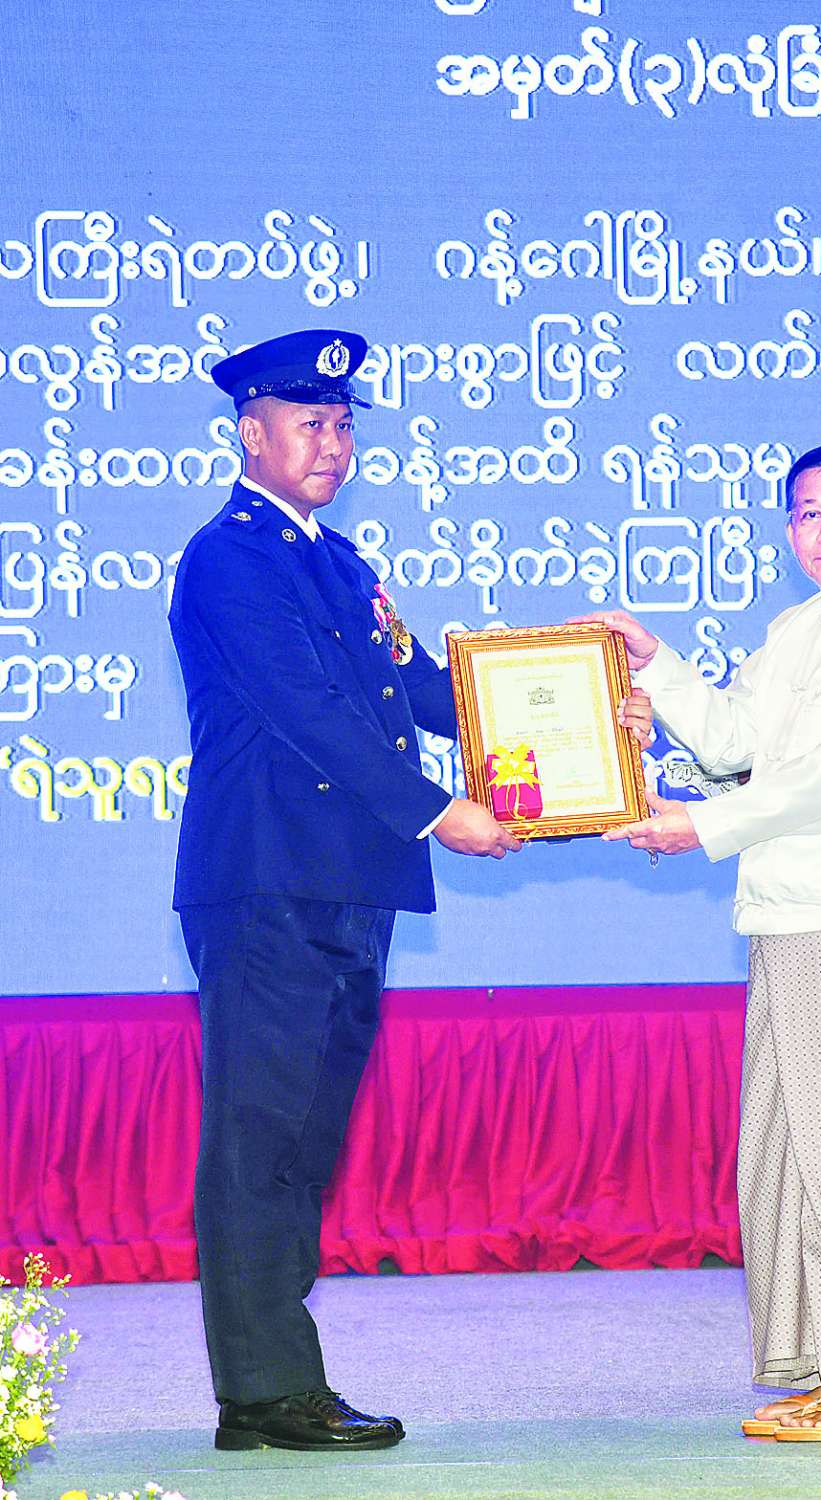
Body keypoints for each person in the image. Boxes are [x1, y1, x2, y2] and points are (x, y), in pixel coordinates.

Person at [169, 329, 521, 1453]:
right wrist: (440, 810)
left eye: (342, 424)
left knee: (302, 1142)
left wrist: (564, 714)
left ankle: (273, 1380)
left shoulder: (340, 560)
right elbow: (306, 713)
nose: (331, 443)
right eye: (308, 423)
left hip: (344, 888)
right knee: (259, 1140)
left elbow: (417, 686)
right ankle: (266, 1392)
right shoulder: (231, 558)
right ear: (250, 434)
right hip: (268, 883)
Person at [588, 443, 821, 1442]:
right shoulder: (798, 628)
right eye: (808, 513)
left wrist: (701, 827)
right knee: (793, 1159)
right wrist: (654, 664)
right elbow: (730, 739)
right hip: (788, 917)